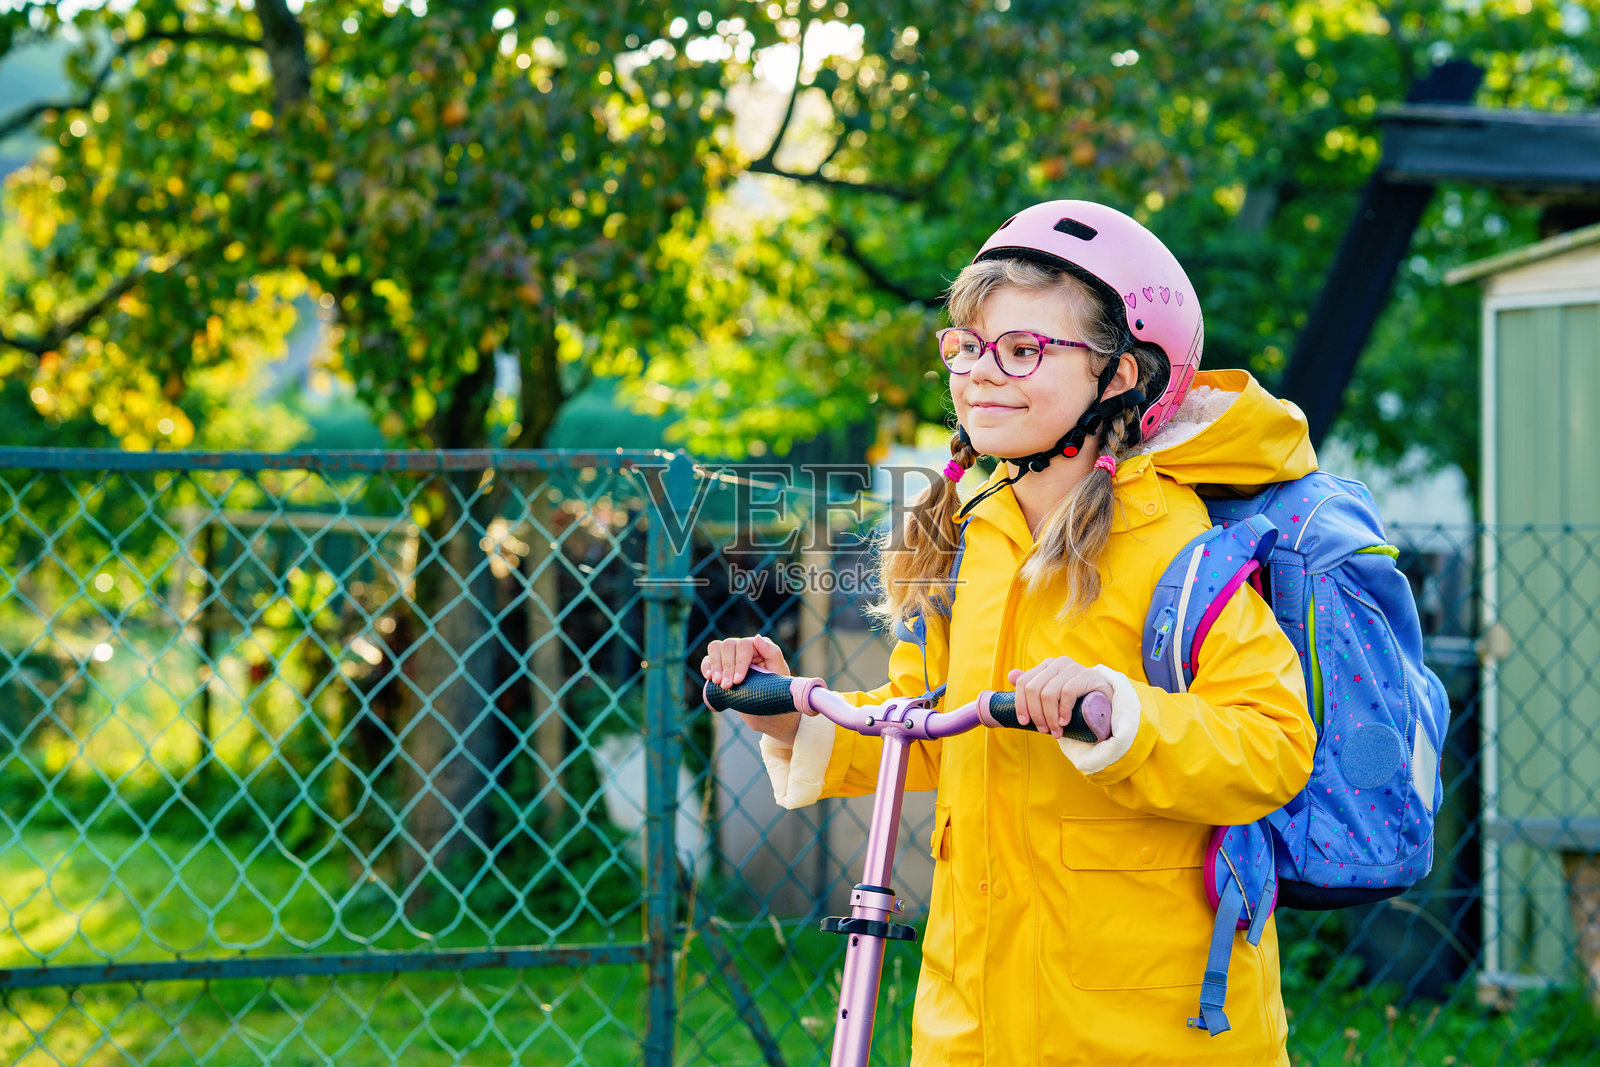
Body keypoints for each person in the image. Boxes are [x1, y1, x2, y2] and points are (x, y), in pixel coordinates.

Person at [701, 199, 1317, 1066]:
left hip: (1151, 1028)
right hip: (975, 1019)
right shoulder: (971, 539)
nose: (980, 372)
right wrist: (783, 712)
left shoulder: (1184, 548)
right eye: (967, 346)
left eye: (1023, 350)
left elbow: (1274, 744)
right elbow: (922, 728)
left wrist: (1121, 712)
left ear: (1121, 377)